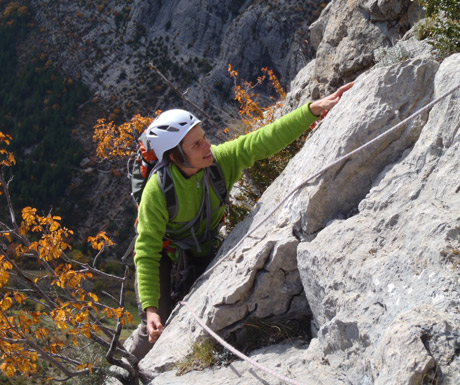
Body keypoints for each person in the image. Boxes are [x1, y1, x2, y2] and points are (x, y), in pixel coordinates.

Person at [129, 82, 354, 360]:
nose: (207, 146)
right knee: (156, 326)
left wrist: (311, 110)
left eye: (204, 137)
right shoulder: (159, 190)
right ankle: (120, 373)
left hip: (202, 250)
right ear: (175, 157)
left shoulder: (217, 162)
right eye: (196, 144)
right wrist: (150, 308)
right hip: (167, 255)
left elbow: (261, 141)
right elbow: (147, 250)